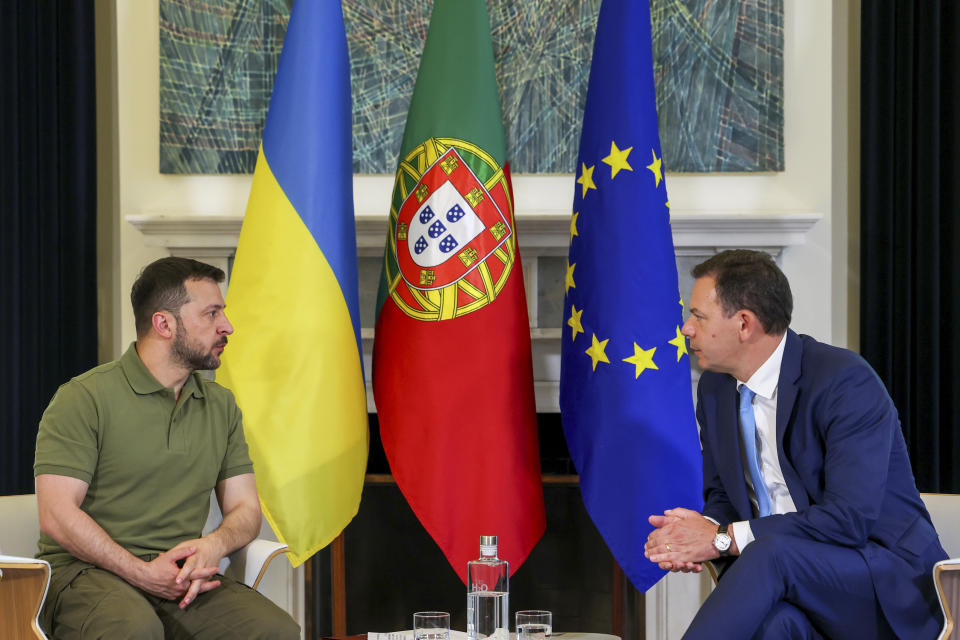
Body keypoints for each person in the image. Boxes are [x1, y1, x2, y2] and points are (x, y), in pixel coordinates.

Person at [644, 249, 946, 639]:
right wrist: (699, 532)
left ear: (744, 324)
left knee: (769, 555)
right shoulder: (716, 388)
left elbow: (848, 520)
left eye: (698, 317)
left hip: (884, 578)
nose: (686, 328)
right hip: (790, 580)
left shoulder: (844, 381)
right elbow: (722, 494)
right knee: (777, 626)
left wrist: (722, 539)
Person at [34, 257, 300, 639]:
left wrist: (213, 546)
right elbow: (56, 514)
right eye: (211, 314)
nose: (227, 326)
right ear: (164, 324)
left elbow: (245, 509)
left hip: (181, 578)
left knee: (276, 631)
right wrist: (141, 572)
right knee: (134, 630)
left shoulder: (221, 405)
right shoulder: (83, 398)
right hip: (86, 574)